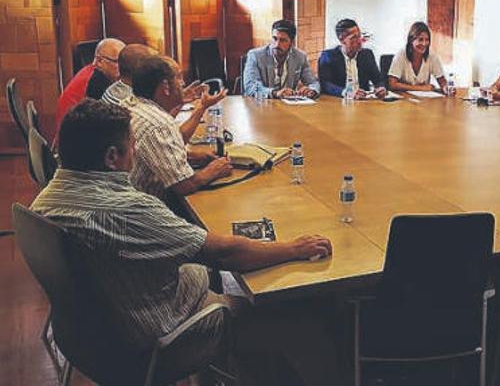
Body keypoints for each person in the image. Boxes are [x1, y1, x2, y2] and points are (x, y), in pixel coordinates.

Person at [31, 98, 342, 385]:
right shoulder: (126, 211)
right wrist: (294, 248)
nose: (136, 152)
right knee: (308, 326)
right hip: (160, 342)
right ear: (112, 156)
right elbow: (224, 254)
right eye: (132, 146)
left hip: (87, 338)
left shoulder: (48, 197)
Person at [128, 55, 231, 200]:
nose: (183, 83)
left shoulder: (132, 104)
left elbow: (156, 151)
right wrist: (214, 170)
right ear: (166, 86)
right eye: (179, 77)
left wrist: (190, 157)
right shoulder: (159, 124)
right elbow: (183, 185)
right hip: (144, 206)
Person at [55, 37, 125, 134]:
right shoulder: (95, 81)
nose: (124, 66)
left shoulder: (91, 72)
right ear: (100, 61)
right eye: (118, 61)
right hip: (72, 139)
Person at [243, 19, 320, 99]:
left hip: (288, 107)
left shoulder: (300, 57)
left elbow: (313, 82)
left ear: (292, 43)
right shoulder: (255, 56)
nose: (277, 45)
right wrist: (275, 93)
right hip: (261, 105)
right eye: (275, 38)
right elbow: (250, 87)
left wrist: (312, 90)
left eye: (283, 40)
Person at [318, 19, 387, 99]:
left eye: (359, 36)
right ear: (342, 39)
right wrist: (346, 92)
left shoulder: (367, 54)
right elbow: (325, 84)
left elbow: (378, 79)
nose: (359, 41)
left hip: (364, 102)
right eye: (354, 37)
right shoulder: (329, 56)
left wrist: (381, 87)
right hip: (338, 102)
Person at [386, 22, 450, 94]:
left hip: (423, 101)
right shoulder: (401, 54)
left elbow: (442, 81)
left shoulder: (432, 56)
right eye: (420, 39)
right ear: (411, 40)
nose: (424, 43)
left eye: (427, 40)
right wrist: (421, 88)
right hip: (404, 100)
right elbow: (392, 84)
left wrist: (446, 88)